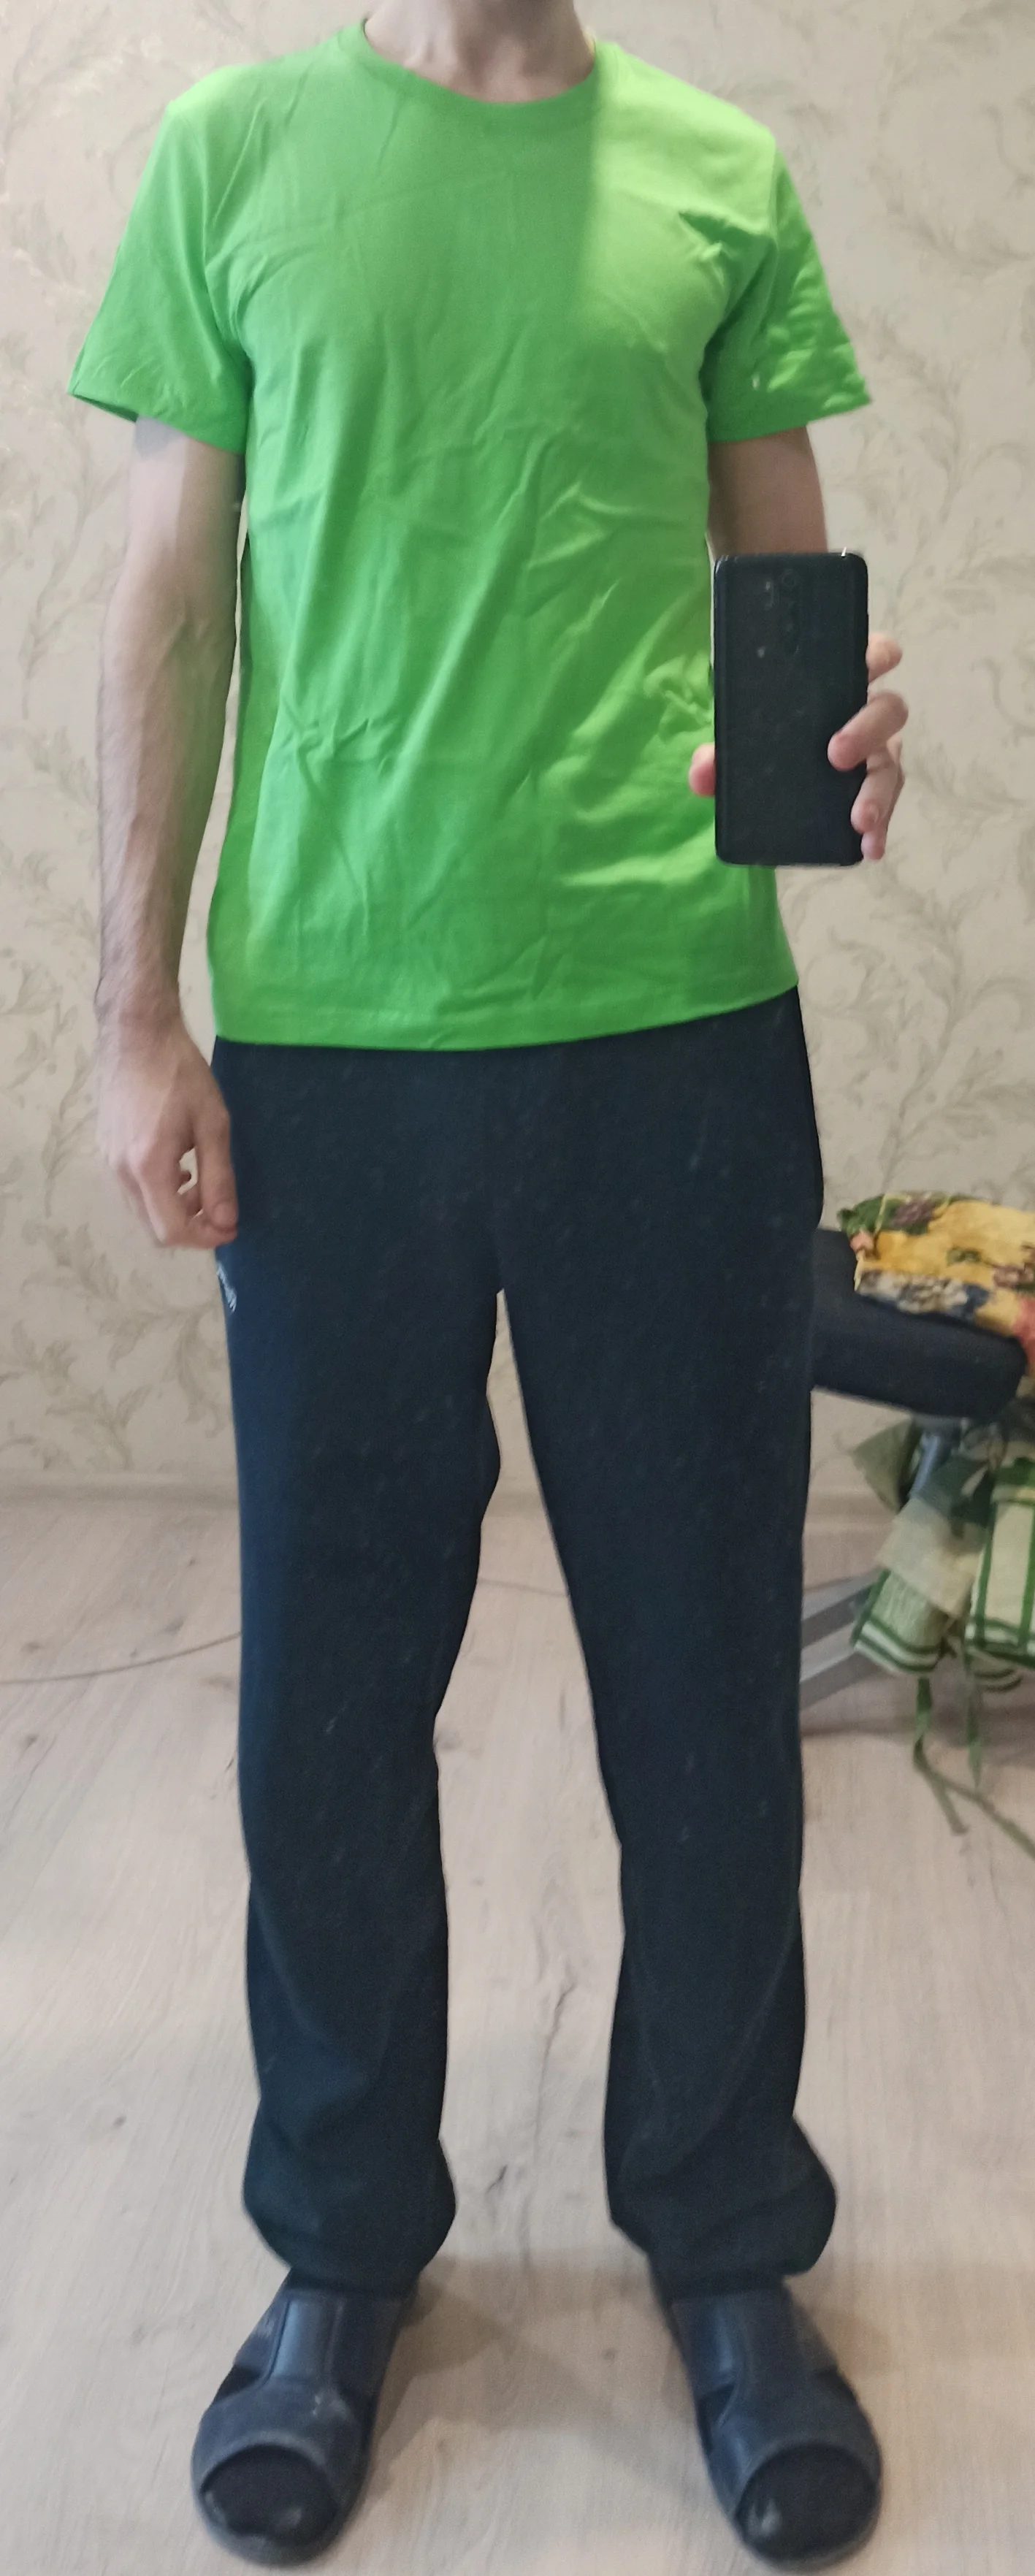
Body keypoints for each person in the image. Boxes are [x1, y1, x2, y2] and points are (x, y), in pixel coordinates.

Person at [69, 3, 907, 2565]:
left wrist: (851, 742)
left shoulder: (717, 176)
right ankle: (342, 2244)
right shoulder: (234, 154)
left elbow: (786, 596)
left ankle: (727, 2234)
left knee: (703, 1674)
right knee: (329, 1689)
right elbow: (168, 597)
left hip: (678, 1039)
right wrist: (131, 1013)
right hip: (337, 1050)